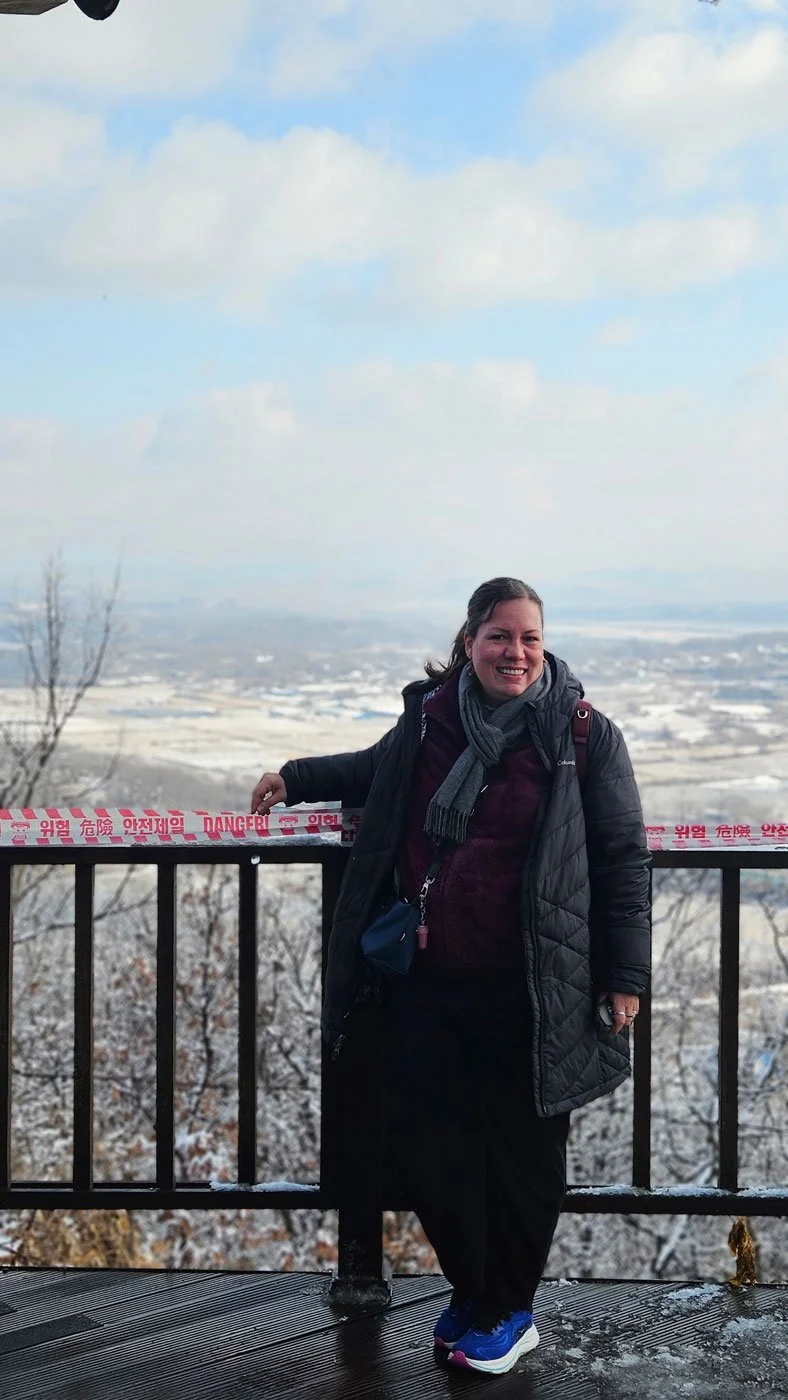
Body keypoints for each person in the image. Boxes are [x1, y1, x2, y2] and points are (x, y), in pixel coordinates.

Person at [251, 577, 651, 1377]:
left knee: (526, 1153)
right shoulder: (431, 718)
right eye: (501, 636)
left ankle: (509, 1309)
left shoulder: (580, 735)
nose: (517, 652)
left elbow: (620, 856)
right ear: (469, 640)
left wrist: (625, 976)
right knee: (426, 1143)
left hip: (536, 985)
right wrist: (298, 777)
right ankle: (475, 1289)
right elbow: (377, 773)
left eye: (530, 637)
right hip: (430, 979)